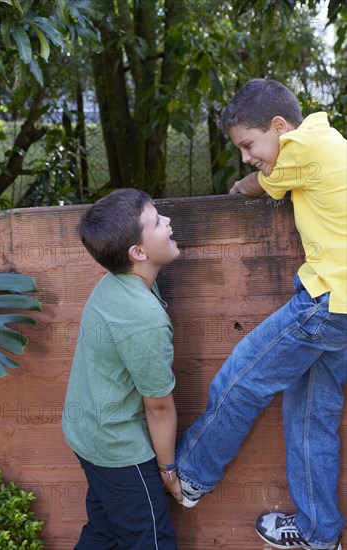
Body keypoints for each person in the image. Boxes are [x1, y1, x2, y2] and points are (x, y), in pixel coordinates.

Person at [175, 79, 346, 550]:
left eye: (249, 144)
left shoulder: (301, 146)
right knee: (313, 414)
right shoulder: (324, 141)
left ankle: (191, 474)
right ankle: (320, 533)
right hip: (340, 306)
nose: (248, 156)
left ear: (278, 126)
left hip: (327, 302)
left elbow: (256, 185)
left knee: (242, 377)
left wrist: (243, 183)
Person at [62, 188, 183, 550]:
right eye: (158, 222)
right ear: (138, 252)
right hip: (117, 449)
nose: (169, 222)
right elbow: (159, 407)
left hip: (87, 433)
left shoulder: (115, 280)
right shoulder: (144, 318)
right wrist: (168, 471)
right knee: (153, 542)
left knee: (105, 532)